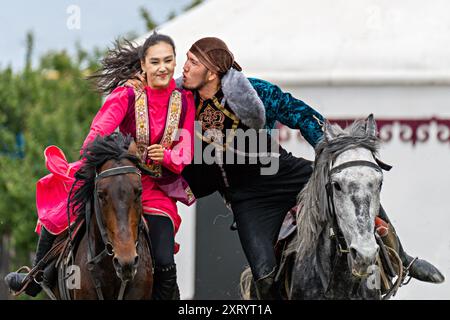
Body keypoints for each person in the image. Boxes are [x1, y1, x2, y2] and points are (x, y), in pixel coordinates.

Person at [128, 37, 444, 299]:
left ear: (212, 71)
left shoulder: (255, 92)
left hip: (285, 173)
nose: (184, 67)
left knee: (351, 179)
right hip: (247, 198)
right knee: (264, 275)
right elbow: (144, 107)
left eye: (193, 61)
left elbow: (299, 113)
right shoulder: (179, 100)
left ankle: (402, 257)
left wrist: (331, 145)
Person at [5, 32, 196, 300]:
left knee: (164, 260)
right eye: (155, 62)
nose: (162, 67)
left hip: (154, 189)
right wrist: (94, 154)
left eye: (167, 60)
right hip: (120, 176)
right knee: (60, 208)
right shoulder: (126, 94)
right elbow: (99, 130)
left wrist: (164, 156)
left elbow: (184, 155)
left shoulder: (185, 101)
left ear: (175, 62)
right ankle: (37, 275)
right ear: (143, 65)